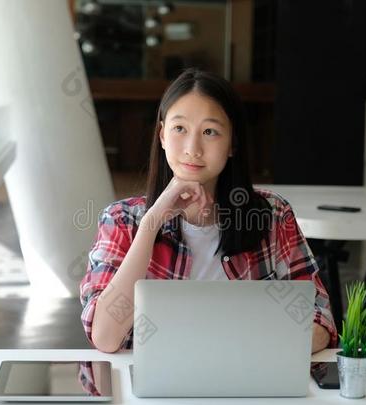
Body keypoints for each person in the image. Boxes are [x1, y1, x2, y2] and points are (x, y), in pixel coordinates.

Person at [80, 68, 336, 353]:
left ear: (232, 144)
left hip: (248, 385)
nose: (193, 148)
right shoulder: (121, 219)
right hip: (153, 392)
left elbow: (319, 317)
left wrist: (258, 351)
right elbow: (105, 336)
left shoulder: (273, 214)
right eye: (180, 129)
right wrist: (152, 223)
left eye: (210, 132)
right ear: (162, 135)